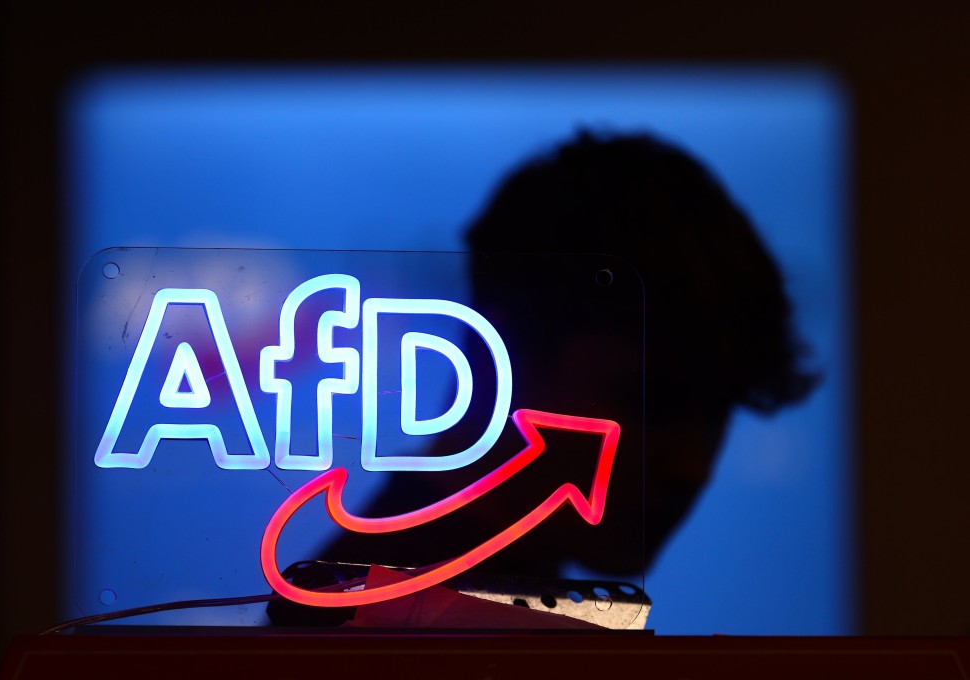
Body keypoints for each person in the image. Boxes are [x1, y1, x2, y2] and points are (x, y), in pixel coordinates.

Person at [267, 131, 816, 623]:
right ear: (504, 360)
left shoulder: (378, 603)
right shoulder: (383, 623)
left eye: (721, 409)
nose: (692, 465)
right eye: (650, 400)